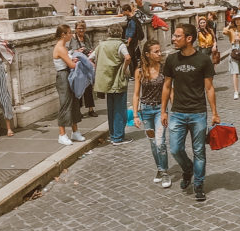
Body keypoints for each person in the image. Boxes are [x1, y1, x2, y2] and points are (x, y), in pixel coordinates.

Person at [160, 23, 220, 202]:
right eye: (174, 36)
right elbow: (166, 86)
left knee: (199, 151)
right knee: (176, 149)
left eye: (177, 36)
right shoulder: (171, 60)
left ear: (189, 38)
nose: (173, 39)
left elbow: (209, 88)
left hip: (198, 112)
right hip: (177, 112)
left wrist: (215, 113)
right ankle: (188, 169)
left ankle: (199, 184)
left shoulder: (203, 60)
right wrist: (163, 111)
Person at [132, 40, 171, 189]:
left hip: (159, 110)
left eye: (160, 51)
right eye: (156, 52)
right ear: (147, 54)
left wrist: (171, 110)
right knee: (153, 143)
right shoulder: (140, 71)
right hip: (146, 110)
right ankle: (160, 169)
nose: (160, 54)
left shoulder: (164, 69)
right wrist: (135, 115)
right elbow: (136, 94)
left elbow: (170, 89)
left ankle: (165, 171)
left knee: (160, 142)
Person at [91, 23, 131, 145]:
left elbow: (90, 58)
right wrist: (123, 69)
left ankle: (113, 134)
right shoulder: (120, 45)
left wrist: (97, 68)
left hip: (106, 82)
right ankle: (118, 137)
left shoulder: (101, 45)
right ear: (120, 33)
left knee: (111, 110)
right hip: (118, 81)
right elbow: (128, 58)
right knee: (120, 110)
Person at [52, 24, 84, 146]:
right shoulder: (60, 48)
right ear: (63, 34)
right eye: (69, 33)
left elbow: (69, 62)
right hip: (63, 76)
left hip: (68, 75)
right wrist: (83, 62)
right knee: (65, 103)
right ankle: (62, 134)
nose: (71, 35)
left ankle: (75, 131)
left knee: (74, 102)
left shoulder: (64, 47)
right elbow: (71, 65)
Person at [66, 21, 97, 117]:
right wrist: (77, 51)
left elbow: (90, 48)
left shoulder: (86, 37)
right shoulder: (72, 38)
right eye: (79, 28)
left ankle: (90, 109)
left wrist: (88, 51)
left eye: (83, 28)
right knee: (78, 87)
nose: (82, 30)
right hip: (78, 66)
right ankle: (78, 110)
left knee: (88, 86)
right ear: (75, 29)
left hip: (86, 64)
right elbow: (69, 51)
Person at [122, 4, 144, 76]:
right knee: (133, 56)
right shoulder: (133, 18)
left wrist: (128, 41)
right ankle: (135, 72)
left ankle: (133, 74)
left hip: (131, 40)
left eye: (124, 11)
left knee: (130, 56)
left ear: (127, 11)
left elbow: (132, 31)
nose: (123, 12)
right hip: (134, 40)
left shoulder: (132, 20)